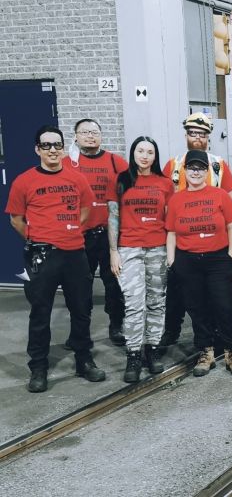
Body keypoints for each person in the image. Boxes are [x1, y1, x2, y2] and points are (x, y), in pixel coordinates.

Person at [7, 126, 104, 392]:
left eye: (57, 145)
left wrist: (67, 232)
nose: (52, 150)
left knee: (81, 310)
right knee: (40, 313)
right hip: (41, 255)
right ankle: (38, 367)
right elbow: (16, 219)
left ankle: (83, 361)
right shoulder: (24, 181)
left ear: (63, 148)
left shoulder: (77, 179)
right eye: (46, 145)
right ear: (37, 149)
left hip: (74, 254)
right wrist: (38, 236)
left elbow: (85, 211)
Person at [160, 112, 232, 347]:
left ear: (208, 137)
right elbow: (163, 199)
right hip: (182, 240)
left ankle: (217, 338)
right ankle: (171, 332)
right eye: (193, 133)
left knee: (217, 298)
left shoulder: (218, 165)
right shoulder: (173, 164)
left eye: (202, 134)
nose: (197, 138)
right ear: (186, 135)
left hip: (213, 241)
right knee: (178, 296)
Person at [165, 150, 232, 377]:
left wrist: (229, 256)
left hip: (218, 259)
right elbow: (171, 232)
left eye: (200, 168)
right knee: (196, 307)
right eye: (192, 168)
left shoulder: (219, 195)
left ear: (207, 171)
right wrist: (173, 261)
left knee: (224, 306)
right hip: (187, 261)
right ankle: (206, 352)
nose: (196, 172)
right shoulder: (176, 199)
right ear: (184, 171)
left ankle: (231, 351)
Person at [106, 136, 174, 383]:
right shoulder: (120, 180)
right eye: (140, 151)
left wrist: (170, 252)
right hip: (129, 249)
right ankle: (133, 353)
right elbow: (113, 217)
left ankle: (152, 349)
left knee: (157, 302)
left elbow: (170, 221)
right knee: (134, 304)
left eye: (150, 152)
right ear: (133, 153)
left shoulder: (165, 183)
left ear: (155, 157)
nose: (144, 156)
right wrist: (113, 251)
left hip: (157, 248)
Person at [71, 118, 129, 346]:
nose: (90, 136)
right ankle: (79, 333)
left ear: (101, 135)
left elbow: (133, 190)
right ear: (75, 136)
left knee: (114, 285)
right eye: (84, 132)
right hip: (80, 237)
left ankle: (116, 326)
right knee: (79, 288)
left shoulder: (116, 162)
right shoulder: (69, 164)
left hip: (110, 236)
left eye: (94, 132)